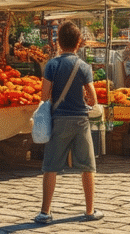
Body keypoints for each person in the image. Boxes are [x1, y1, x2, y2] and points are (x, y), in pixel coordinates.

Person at [34, 20, 103, 224]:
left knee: (51, 166)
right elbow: (93, 98)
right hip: (81, 121)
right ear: (79, 42)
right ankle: (90, 210)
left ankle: (45, 212)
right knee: (87, 166)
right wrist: (81, 94)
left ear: (58, 42)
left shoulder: (52, 65)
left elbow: (44, 95)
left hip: (59, 120)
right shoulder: (84, 66)